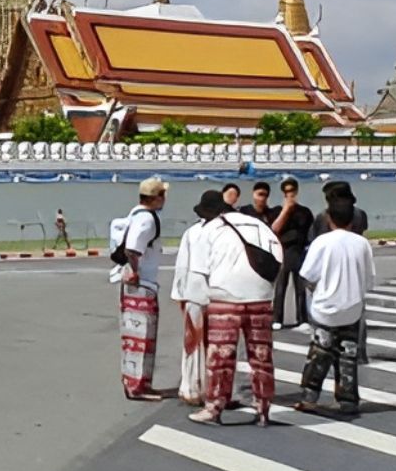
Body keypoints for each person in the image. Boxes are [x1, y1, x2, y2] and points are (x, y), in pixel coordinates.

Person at [186, 196, 279, 425]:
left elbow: (198, 273)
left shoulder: (210, 230)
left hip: (224, 296)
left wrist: (199, 305)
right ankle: (263, 408)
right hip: (260, 297)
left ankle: (214, 407)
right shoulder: (258, 225)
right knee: (261, 356)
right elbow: (277, 257)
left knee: (221, 356)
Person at [298, 200, 373, 415]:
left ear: (329, 219)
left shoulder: (321, 242)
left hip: (325, 308)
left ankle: (309, 397)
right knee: (348, 354)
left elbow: (307, 275)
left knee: (320, 353)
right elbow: (368, 280)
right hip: (352, 308)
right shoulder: (362, 244)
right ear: (353, 220)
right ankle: (348, 400)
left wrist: (316, 291)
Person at [113, 177, 167, 402]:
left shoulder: (134, 215)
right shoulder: (147, 219)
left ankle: (133, 381)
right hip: (142, 283)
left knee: (132, 335)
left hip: (132, 282)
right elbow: (133, 248)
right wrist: (135, 270)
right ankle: (139, 386)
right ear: (156, 198)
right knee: (143, 336)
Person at [171, 191, 225, 406]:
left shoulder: (192, 232)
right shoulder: (224, 232)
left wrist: (179, 295)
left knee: (192, 342)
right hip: (218, 291)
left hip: (193, 290)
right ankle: (216, 387)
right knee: (218, 342)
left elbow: (181, 266)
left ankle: (191, 388)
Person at [268, 177, 315, 331]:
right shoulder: (276, 211)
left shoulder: (305, 212)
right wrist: (286, 210)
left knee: (300, 287)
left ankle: (302, 318)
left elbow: (310, 232)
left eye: (292, 191)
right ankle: (277, 318)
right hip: (283, 251)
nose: (290, 194)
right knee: (281, 286)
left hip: (299, 250)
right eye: (287, 192)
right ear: (283, 193)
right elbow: (274, 229)